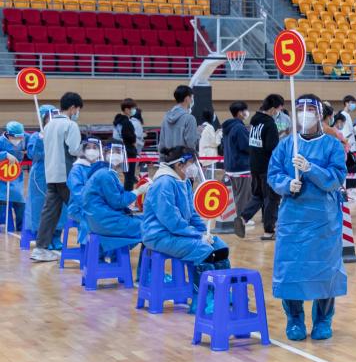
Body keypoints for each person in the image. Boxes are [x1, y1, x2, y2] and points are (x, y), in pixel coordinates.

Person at [269, 95, 348, 340]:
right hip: (293, 219)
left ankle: (323, 320)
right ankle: (294, 319)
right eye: (300, 109)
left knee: (325, 270)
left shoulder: (332, 145)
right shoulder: (286, 145)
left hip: (323, 219)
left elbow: (336, 178)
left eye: (310, 109)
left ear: (320, 113)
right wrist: (286, 184)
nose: (305, 114)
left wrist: (310, 169)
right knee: (291, 270)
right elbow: (273, 174)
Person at [141, 146, 230, 314]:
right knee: (202, 250)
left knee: (219, 246)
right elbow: (171, 221)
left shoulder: (183, 182)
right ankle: (202, 299)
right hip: (159, 235)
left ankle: (221, 292)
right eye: (191, 162)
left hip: (177, 233)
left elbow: (192, 213)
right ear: (179, 165)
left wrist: (204, 232)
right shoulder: (164, 183)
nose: (195, 166)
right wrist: (197, 236)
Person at [31, 92, 84, 262]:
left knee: (49, 213)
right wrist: (88, 152)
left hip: (51, 175)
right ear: (73, 108)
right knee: (84, 208)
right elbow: (74, 150)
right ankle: (94, 248)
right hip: (67, 176)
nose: (77, 113)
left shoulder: (49, 126)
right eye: (78, 109)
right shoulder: (70, 125)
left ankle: (40, 249)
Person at [82, 142, 148, 256]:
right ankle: (146, 267)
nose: (116, 155)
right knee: (150, 226)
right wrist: (138, 191)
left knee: (144, 219)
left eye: (119, 152)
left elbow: (113, 198)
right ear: (104, 154)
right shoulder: (105, 174)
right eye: (112, 152)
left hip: (100, 218)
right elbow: (117, 202)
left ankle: (119, 258)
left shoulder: (105, 172)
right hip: (105, 222)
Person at [240, 94, 284, 240]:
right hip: (267, 168)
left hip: (255, 165)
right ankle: (269, 231)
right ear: (273, 109)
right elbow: (273, 148)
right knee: (272, 198)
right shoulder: (270, 124)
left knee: (258, 196)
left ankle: (242, 218)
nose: (278, 113)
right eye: (279, 109)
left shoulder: (255, 121)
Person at [25, 105, 63, 249]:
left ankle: (56, 236)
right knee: (40, 205)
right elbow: (33, 155)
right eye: (49, 117)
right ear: (43, 119)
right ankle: (42, 238)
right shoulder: (36, 136)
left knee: (60, 206)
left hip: (58, 172)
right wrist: (41, 141)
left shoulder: (62, 134)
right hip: (40, 175)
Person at [223, 101, 254, 238]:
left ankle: (239, 217)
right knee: (243, 195)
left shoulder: (228, 127)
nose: (247, 113)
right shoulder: (239, 128)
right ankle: (242, 219)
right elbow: (246, 146)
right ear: (240, 113)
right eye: (245, 110)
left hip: (231, 166)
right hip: (241, 167)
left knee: (237, 194)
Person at [66, 137, 103, 245]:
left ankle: (108, 250)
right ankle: (88, 248)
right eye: (88, 147)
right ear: (83, 150)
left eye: (95, 147)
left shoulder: (101, 167)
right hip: (78, 208)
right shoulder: (77, 169)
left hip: (98, 206)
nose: (92, 150)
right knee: (92, 220)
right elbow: (78, 194)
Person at [0, 122, 27, 229]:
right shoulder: (1, 141)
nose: (19, 139)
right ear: (8, 134)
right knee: (2, 201)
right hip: (1, 179)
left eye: (21, 136)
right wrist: (4, 154)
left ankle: (21, 228)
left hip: (16, 177)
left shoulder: (23, 139)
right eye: (16, 137)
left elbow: (32, 145)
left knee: (20, 202)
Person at [159, 85, 198, 151]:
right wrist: (198, 133)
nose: (192, 100)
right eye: (192, 97)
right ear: (187, 98)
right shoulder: (190, 119)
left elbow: (161, 143)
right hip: (184, 157)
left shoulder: (166, 117)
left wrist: (162, 158)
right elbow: (191, 144)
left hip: (168, 157)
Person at [112, 98, 140, 190]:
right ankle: (127, 195)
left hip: (119, 150)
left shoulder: (117, 122)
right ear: (127, 109)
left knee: (126, 175)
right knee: (129, 177)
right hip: (128, 152)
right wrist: (134, 142)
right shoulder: (126, 123)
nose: (134, 110)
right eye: (133, 108)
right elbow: (131, 138)